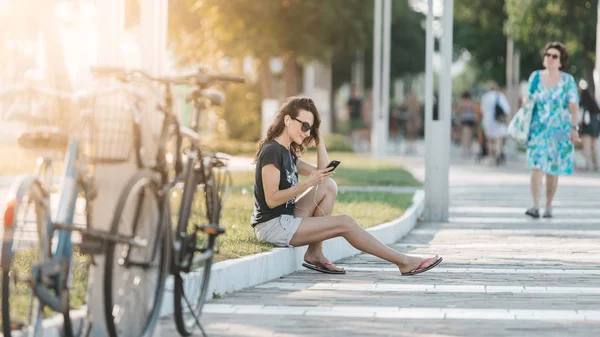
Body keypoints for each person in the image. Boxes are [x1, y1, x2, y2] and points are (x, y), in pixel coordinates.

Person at [251, 96, 442, 275]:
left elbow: (323, 172)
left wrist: (319, 138)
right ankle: (404, 262)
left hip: (286, 218)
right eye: (305, 125)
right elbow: (272, 199)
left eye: (311, 127)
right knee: (345, 222)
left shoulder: (287, 152)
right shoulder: (272, 152)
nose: (307, 132)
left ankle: (315, 253)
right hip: (272, 226)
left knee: (329, 185)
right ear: (287, 120)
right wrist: (308, 183)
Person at [524, 42, 580, 219]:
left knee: (552, 171)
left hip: (559, 132)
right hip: (537, 130)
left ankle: (548, 205)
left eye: (554, 56)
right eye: (547, 55)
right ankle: (534, 206)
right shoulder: (535, 77)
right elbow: (527, 99)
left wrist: (574, 128)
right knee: (536, 167)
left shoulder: (567, 81)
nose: (550, 58)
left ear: (560, 61)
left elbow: (574, 106)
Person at [480, 81, 510, 165]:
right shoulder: (499, 96)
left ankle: (490, 157)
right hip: (498, 121)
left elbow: (482, 110)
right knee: (498, 139)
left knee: (489, 140)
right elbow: (507, 109)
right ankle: (498, 155)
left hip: (487, 121)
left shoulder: (484, 97)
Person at [578, 88, 600, 171]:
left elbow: (579, 115)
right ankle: (596, 165)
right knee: (594, 146)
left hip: (586, 126)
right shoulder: (593, 102)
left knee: (586, 146)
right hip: (595, 126)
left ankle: (587, 165)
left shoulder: (582, 102)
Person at [455, 91, 478, 157]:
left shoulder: (461, 102)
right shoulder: (471, 102)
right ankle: (468, 148)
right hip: (471, 119)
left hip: (465, 119)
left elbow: (457, 112)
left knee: (465, 135)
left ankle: (465, 148)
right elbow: (475, 110)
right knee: (469, 135)